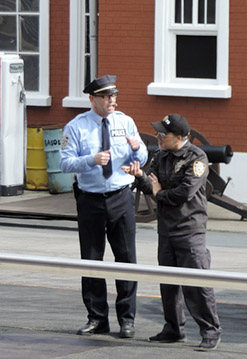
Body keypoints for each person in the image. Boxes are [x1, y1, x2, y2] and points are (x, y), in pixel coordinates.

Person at [122, 113, 223, 351]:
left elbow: (183, 194)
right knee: (168, 284)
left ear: (179, 137)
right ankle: (173, 329)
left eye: (162, 134)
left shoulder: (196, 158)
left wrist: (158, 193)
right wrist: (140, 177)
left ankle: (210, 330)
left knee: (197, 284)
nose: (158, 137)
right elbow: (151, 184)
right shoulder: (161, 155)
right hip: (166, 229)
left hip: (189, 229)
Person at [59, 75, 148, 338]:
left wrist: (137, 153)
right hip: (91, 200)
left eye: (114, 96)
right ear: (93, 99)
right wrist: (91, 159)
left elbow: (141, 155)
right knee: (91, 260)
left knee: (127, 259)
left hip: (121, 197)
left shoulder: (125, 121)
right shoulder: (76, 127)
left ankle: (127, 320)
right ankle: (97, 318)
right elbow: (65, 163)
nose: (112, 101)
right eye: (106, 97)